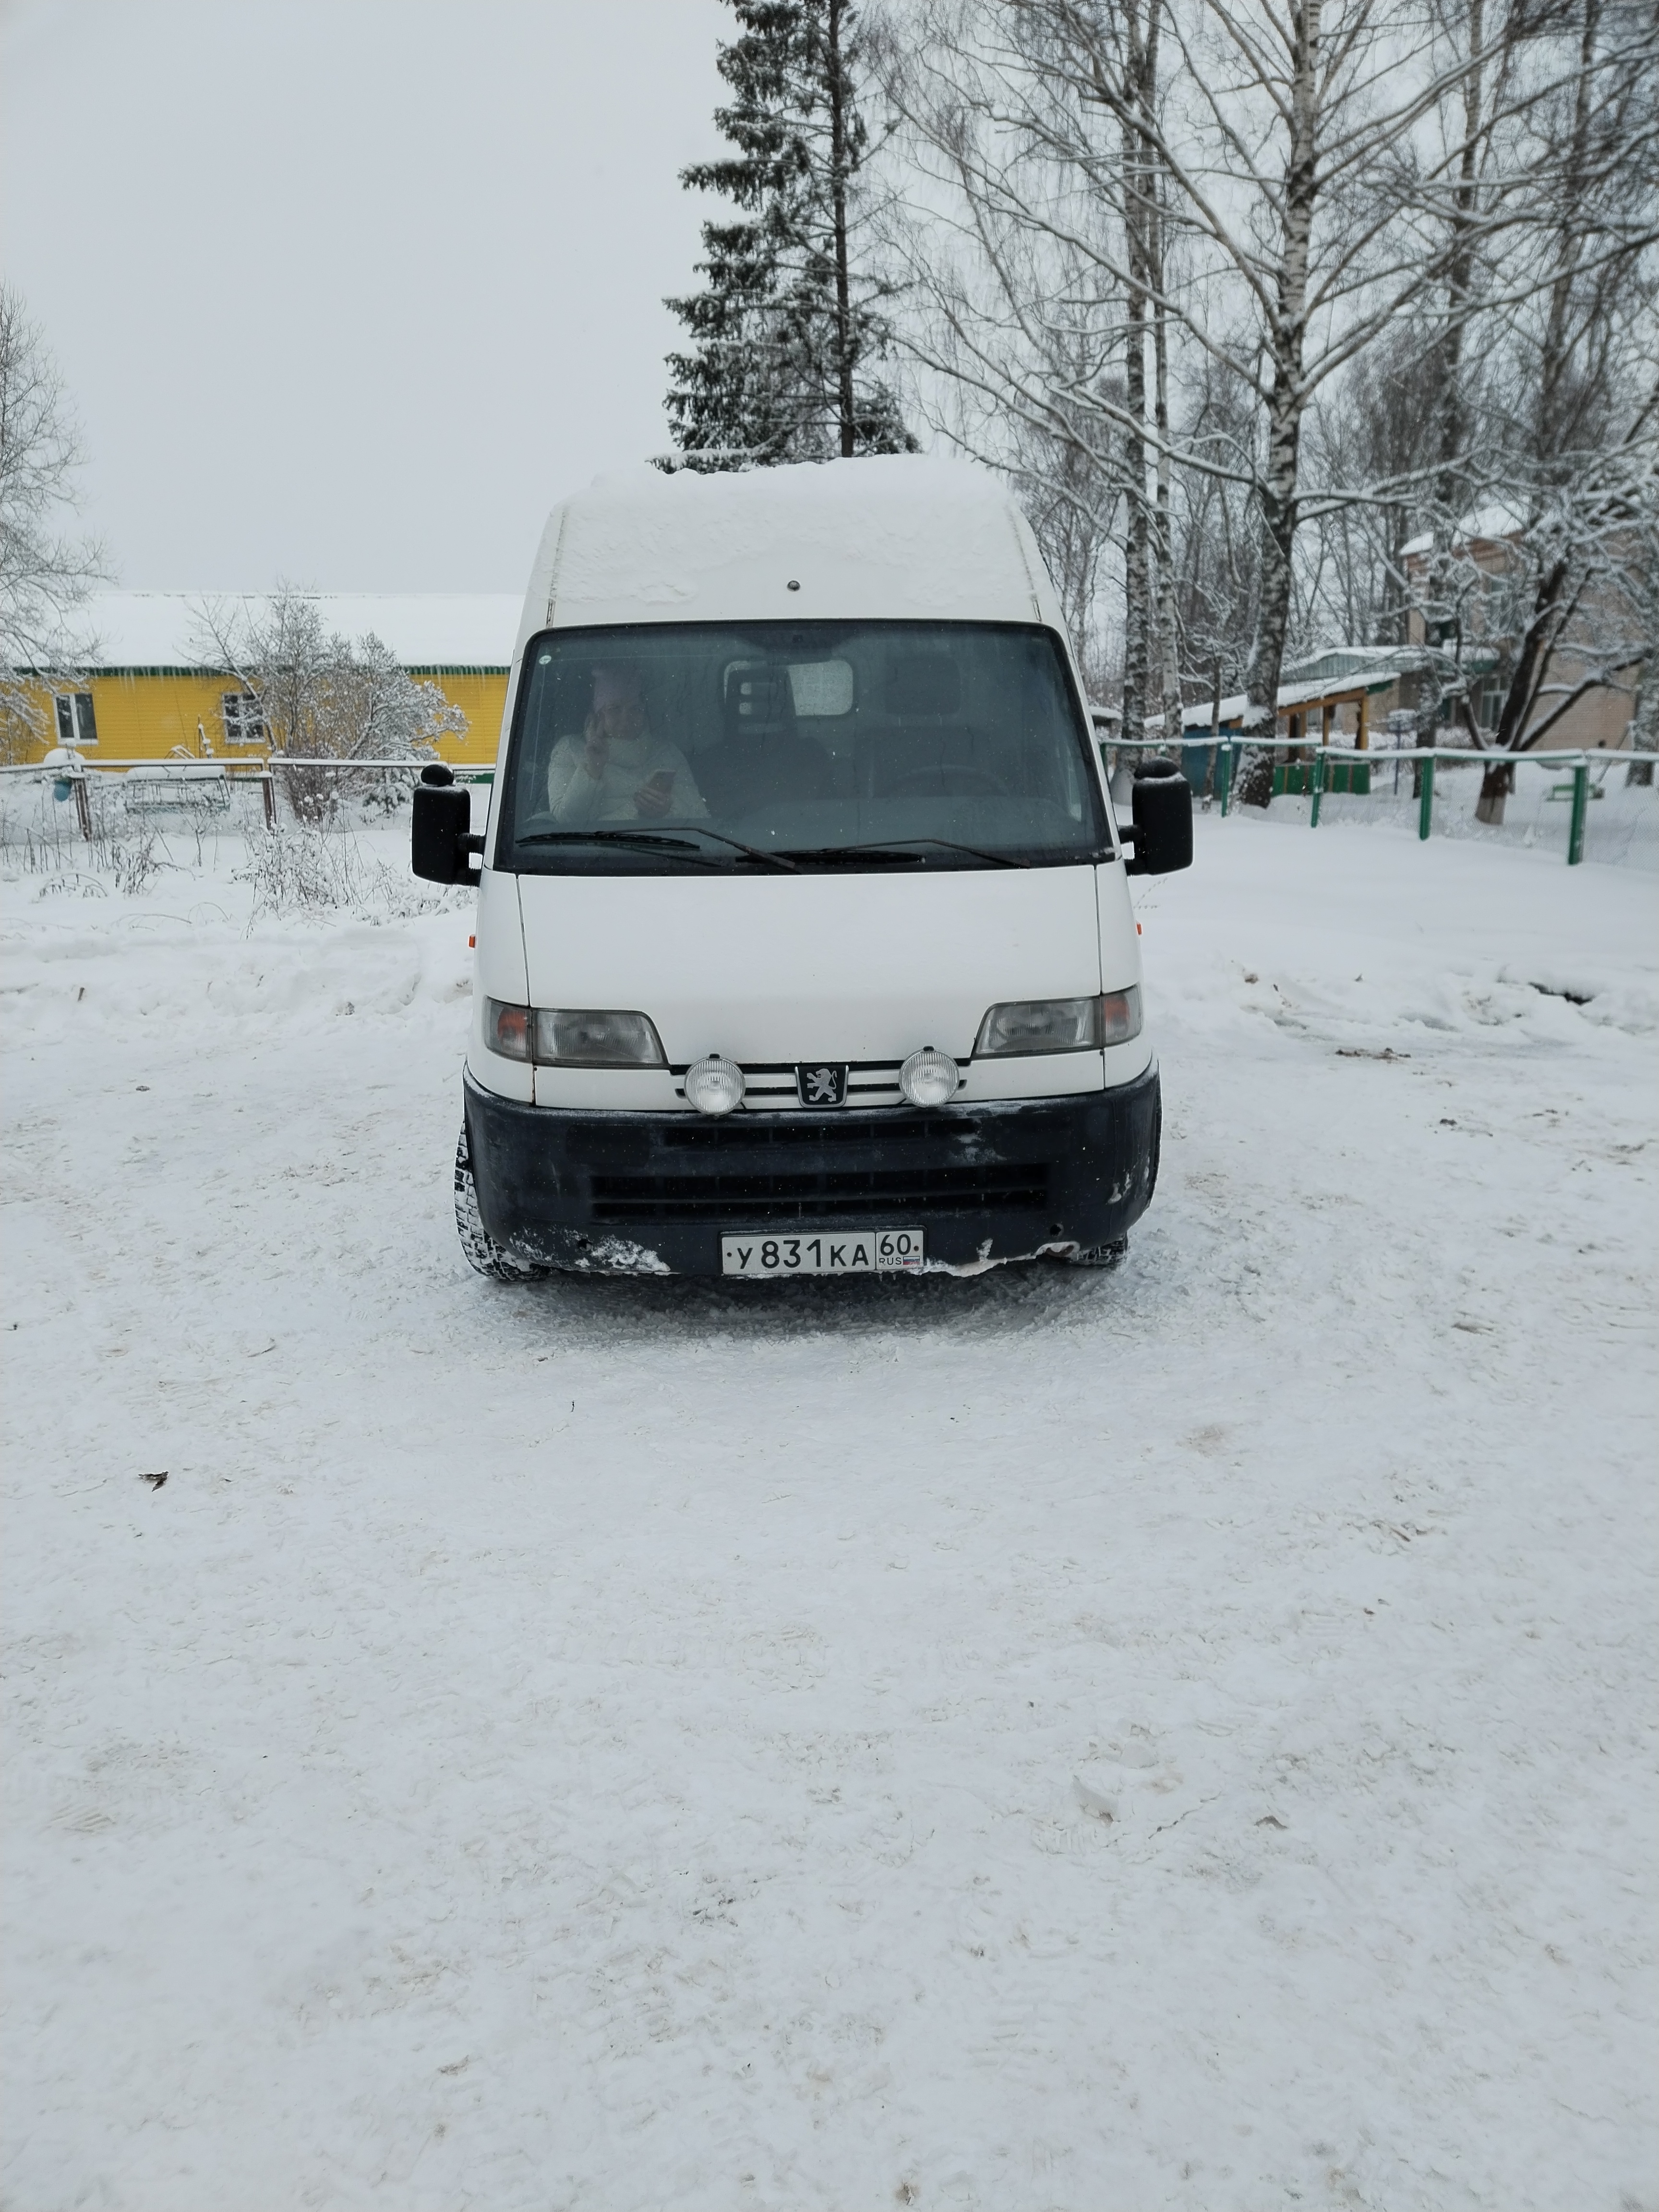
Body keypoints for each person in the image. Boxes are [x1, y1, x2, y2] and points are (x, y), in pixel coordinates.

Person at [545, 664, 705, 824]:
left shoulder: (667, 752)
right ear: (598, 715)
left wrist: (668, 810)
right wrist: (593, 769)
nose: (626, 719)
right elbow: (565, 822)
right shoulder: (569, 749)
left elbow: (701, 817)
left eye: (636, 709)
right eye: (615, 709)